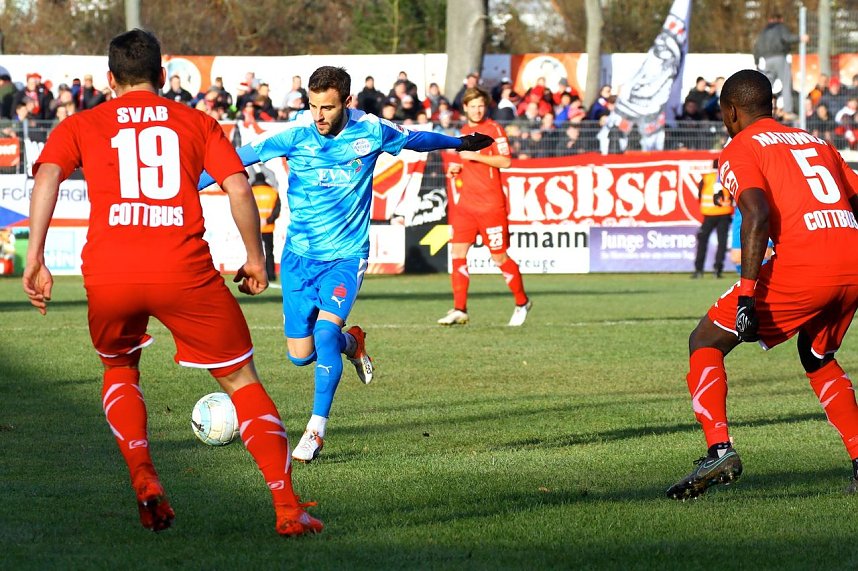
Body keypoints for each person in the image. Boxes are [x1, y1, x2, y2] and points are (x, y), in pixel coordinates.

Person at [21, 29, 322, 536]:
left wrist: (36, 257)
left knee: (119, 368)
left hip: (110, 271)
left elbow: (48, 176)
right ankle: (288, 509)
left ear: (110, 79)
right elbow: (237, 186)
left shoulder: (81, 123)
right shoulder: (197, 121)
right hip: (183, 269)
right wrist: (255, 258)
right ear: (162, 75)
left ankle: (144, 475)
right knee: (241, 381)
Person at [197, 65, 492, 464]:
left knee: (323, 336)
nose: (318, 116)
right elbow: (232, 162)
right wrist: (184, 188)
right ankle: (353, 343)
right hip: (299, 258)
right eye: (313, 106)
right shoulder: (295, 132)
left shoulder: (371, 130)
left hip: (346, 256)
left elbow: (416, 139)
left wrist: (459, 142)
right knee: (300, 355)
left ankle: (315, 431)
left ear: (347, 103)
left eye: (328, 108)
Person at [667, 69, 858, 500]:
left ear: (732, 111)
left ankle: (719, 450)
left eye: (723, 114)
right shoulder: (816, 141)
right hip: (852, 259)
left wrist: (747, 296)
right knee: (817, 355)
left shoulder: (740, 147)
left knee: (706, 340)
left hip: (807, 264)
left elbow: (755, 214)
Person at [439, 87, 532, 327]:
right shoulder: (463, 131)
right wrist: (458, 168)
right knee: (457, 253)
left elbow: (506, 161)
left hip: (490, 206)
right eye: (473, 106)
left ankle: (522, 302)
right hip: (466, 206)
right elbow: (468, 164)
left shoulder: (494, 129)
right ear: (465, 108)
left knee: (499, 257)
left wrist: (475, 157)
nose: (477, 110)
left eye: (481, 105)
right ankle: (460, 309)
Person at [753, 13, 807, 117]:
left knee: (766, 86)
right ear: (780, 19)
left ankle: (757, 108)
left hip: (767, 60)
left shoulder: (763, 32)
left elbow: (756, 47)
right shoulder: (780, 27)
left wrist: (756, 62)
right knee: (786, 84)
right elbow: (787, 38)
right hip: (780, 58)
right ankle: (788, 111)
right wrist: (800, 38)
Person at [691, 160, 733, 279]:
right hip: (724, 214)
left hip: (709, 215)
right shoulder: (727, 178)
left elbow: (699, 195)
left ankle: (699, 270)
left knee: (702, 241)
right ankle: (717, 270)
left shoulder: (706, 178)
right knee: (722, 242)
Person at [251, 171, 281, 281]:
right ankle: (271, 275)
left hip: (253, 228)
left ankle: (255, 275)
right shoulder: (273, 192)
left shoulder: (251, 192)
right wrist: (268, 220)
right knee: (269, 252)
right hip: (268, 227)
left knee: (254, 253)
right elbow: (276, 210)